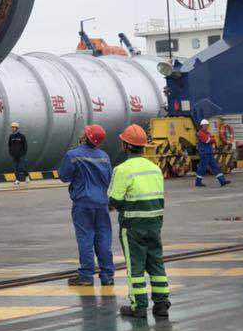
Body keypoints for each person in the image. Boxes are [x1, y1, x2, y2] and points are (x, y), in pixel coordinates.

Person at [109, 124, 170, 321]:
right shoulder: (155, 169)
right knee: (156, 263)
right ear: (143, 146)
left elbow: (114, 200)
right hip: (154, 224)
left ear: (126, 146)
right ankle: (162, 304)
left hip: (133, 226)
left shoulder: (122, 170)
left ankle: (139, 306)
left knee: (135, 266)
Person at [58, 124, 115, 287]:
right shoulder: (104, 157)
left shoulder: (72, 155)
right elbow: (109, 179)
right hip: (102, 203)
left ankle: (86, 276)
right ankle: (107, 276)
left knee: (85, 238)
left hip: (83, 203)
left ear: (86, 137)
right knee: (104, 237)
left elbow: (63, 176)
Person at [193, 118, 230, 188]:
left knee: (215, 167)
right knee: (202, 168)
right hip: (204, 153)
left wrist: (211, 139)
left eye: (207, 125)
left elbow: (211, 139)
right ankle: (198, 182)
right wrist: (212, 139)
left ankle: (222, 181)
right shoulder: (200, 133)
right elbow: (207, 140)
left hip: (209, 152)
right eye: (205, 125)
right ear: (202, 126)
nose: (206, 126)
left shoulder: (207, 133)